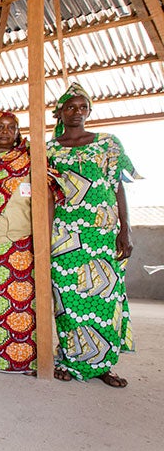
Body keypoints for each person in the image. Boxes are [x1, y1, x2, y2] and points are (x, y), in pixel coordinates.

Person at [48, 83, 136, 387]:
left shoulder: (108, 143)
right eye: (70, 107)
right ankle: (71, 360)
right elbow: (45, 194)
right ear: (59, 112)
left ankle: (104, 365)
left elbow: (118, 187)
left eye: (82, 106)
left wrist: (126, 229)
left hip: (102, 231)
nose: (76, 112)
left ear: (89, 110)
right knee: (67, 300)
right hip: (65, 233)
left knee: (105, 298)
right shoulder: (48, 150)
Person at [0, 112, 63, 376]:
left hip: (23, 247)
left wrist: (45, 241)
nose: (5, 132)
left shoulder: (31, 160)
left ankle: (28, 360)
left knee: (25, 305)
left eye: (11, 128)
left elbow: (47, 198)